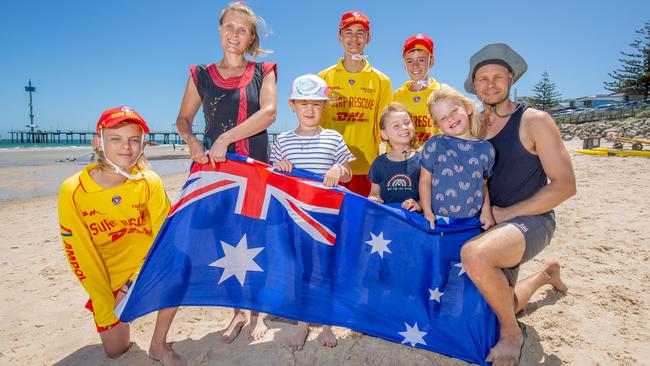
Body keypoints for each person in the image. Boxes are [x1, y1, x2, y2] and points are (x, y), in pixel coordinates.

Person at [460, 43, 575, 366]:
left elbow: (566, 186)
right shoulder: (474, 126)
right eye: (482, 79)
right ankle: (544, 276)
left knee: (475, 254)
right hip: (487, 223)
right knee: (496, 304)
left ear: (511, 78)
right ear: (474, 85)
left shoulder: (534, 120)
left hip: (531, 220)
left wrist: (507, 214)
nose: (490, 84)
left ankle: (512, 334)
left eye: (498, 77)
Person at [175, 2, 277, 343]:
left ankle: (256, 313)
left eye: (242, 30)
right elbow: (183, 119)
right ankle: (236, 313)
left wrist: (225, 137)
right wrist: (191, 141)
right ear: (219, 30)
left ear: (250, 38)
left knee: (255, 237)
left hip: (254, 167)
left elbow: (269, 113)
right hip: (215, 171)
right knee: (227, 240)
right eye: (229, 27)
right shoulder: (199, 74)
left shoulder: (265, 71)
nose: (234, 34)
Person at [58, 106, 186, 366]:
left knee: (180, 265)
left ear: (142, 145)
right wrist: (106, 299)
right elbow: (80, 256)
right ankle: (118, 319)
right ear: (99, 142)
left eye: (133, 140)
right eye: (116, 139)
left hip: (143, 272)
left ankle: (158, 345)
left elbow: (165, 240)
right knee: (115, 351)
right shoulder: (73, 190)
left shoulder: (148, 181)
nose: (126, 147)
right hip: (106, 279)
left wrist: (132, 283)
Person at [269, 74, 354, 350]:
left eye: (316, 104)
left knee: (326, 268)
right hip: (295, 219)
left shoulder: (333, 138)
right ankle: (304, 323)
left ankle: (326, 323)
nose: (309, 110)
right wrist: (279, 168)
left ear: (324, 107)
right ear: (292, 105)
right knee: (301, 270)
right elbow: (272, 179)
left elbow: (348, 172)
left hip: (327, 219)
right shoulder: (282, 141)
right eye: (303, 103)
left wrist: (338, 169)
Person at [318, 9, 392, 196]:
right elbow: (314, 124)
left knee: (363, 224)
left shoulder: (381, 80)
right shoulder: (323, 78)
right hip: (330, 169)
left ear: (368, 38)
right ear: (339, 37)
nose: (354, 38)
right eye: (348, 33)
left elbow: (386, 128)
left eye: (360, 33)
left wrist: (390, 166)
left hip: (367, 169)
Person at [419, 85, 495, 231]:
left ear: (468, 108)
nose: (450, 119)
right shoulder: (435, 145)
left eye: (454, 111)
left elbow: (483, 184)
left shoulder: (486, 149)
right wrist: (427, 211)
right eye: (443, 118)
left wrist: (486, 211)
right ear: (438, 125)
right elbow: (425, 180)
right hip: (438, 220)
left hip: (471, 222)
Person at [368, 102, 421, 212]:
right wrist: (374, 198)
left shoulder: (423, 160)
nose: (404, 127)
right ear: (384, 134)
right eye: (396, 125)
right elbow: (374, 193)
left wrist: (419, 204)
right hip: (388, 222)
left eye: (407, 123)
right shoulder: (378, 164)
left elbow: (430, 193)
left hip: (416, 223)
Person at [393, 33, 441, 147]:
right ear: (404, 64)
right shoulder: (398, 96)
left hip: (434, 160)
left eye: (421, 60)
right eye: (410, 61)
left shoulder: (441, 93)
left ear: (431, 61)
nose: (415, 65)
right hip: (405, 160)